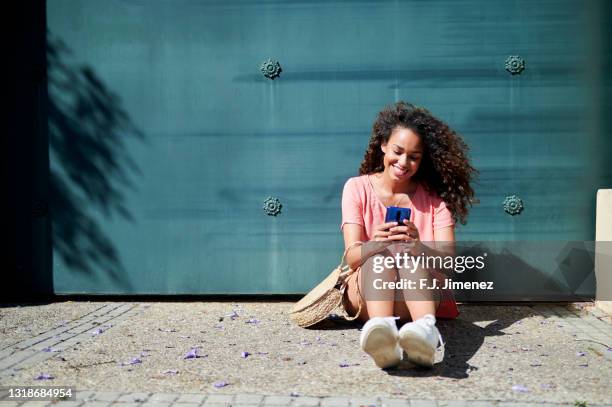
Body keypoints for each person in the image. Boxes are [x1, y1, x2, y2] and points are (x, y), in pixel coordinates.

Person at [340, 101, 476, 369]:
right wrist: (377, 243)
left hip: (416, 296)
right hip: (366, 295)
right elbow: (352, 258)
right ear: (383, 145)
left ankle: (425, 335)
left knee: (412, 259)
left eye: (413, 156)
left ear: (423, 159)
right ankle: (383, 335)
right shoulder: (356, 188)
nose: (403, 162)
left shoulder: (436, 200)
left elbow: (448, 264)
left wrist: (418, 246)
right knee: (380, 259)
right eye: (397, 151)